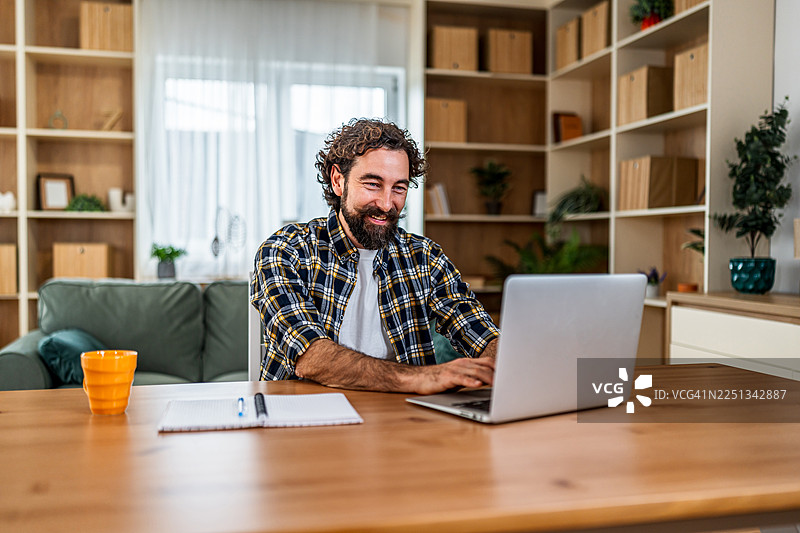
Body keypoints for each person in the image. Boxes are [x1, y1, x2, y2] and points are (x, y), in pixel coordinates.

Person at [250, 118, 499, 394]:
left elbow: (480, 333)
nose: (386, 204)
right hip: (303, 413)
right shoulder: (286, 251)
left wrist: (504, 361)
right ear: (338, 181)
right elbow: (310, 357)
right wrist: (422, 378)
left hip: (403, 414)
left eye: (399, 188)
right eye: (372, 184)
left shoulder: (425, 257)